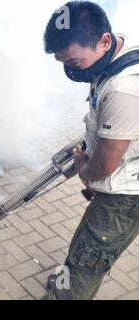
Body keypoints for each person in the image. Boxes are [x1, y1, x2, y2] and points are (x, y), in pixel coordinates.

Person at [41, 1, 139, 299]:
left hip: (123, 197)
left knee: (87, 261)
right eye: (63, 62)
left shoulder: (125, 89)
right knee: (85, 246)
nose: (70, 70)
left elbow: (104, 165)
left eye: (73, 62)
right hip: (124, 180)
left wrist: (85, 169)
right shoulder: (116, 50)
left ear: (104, 41)